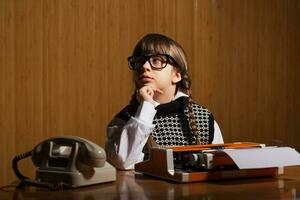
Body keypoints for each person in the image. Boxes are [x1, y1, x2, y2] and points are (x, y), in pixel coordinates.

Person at [105, 33, 224, 170]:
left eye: (156, 60)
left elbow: (218, 167)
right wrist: (147, 107)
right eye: (139, 61)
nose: (144, 66)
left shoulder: (203, 118)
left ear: (177, 75)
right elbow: (122, 163)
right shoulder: (125, 119)